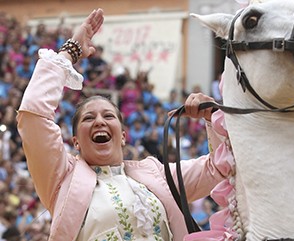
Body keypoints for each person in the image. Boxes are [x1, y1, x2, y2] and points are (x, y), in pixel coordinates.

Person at [16, 9, 233, 241]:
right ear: (75, 142)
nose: (99, 120)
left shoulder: (157, 174)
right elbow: (33, 116)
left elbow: (217, 168)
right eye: (89, 118)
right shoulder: (60, 176)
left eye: (108, 116)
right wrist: (70, 51)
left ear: (123, 135)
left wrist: (213, 117)